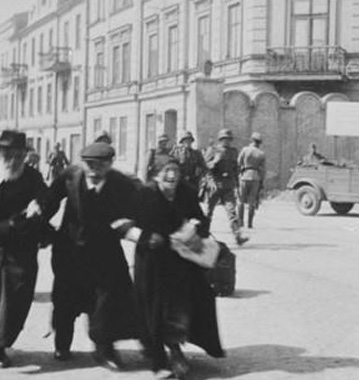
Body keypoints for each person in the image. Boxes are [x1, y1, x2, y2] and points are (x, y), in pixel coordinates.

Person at [40, 142, 140, 370]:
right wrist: (44, 230)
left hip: (105, 251)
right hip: (69, 251)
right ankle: (62, 344)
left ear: (110, 164)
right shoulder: (69, 177)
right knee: (65, 299)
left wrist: (130, 221)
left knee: (107, 300)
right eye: (90, 165)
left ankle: (104, 349)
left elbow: (137, 208)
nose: (94, 171)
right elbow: (48, 203)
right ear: (82, 164)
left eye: (101, 165)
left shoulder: (121, 183)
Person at [125, 157, 224, 377]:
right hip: (151, 259)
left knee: (183, 303)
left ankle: (176, 350)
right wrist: (144, 237)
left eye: (175, 171)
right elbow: (124, 224)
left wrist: (193, 227)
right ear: (156, 174)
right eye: (166, 172)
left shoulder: (186, 192)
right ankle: (158, 358)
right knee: (154, 306)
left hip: (181, 258)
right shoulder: (143, 194)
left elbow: (199, 217)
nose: (172, 176)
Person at [0, 130, 48, 368]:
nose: (13, 159)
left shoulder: (32, 176)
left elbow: (46, 198)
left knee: (18, 299)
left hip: (22, 250)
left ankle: (4, 341)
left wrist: (39, 204)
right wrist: (8, 224)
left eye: (19, 154)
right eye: (8, 153)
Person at [204, 129, 249, 246]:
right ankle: (203, 236)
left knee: (232, 212)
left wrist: (237, 185)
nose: (227, 141)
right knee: (209, 212)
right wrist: (214, 162)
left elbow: (236, 169)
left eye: (229, 139)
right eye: (224, 139)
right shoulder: (213, 150)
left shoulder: (233, 152)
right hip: (215, 186)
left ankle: (237, 236)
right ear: (220, 140)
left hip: (228, 186)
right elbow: (205, 168)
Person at [237, 132, 266, 228]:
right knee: (252, 201)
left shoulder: (245, 150)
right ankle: (250, 223)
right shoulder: (261, 153)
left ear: (252, 140)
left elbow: (239, 162)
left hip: (244, 176)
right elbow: (263, 170)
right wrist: (261, 181)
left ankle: (240, 222)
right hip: (255, 178)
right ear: (259, 142)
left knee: (241, 200)